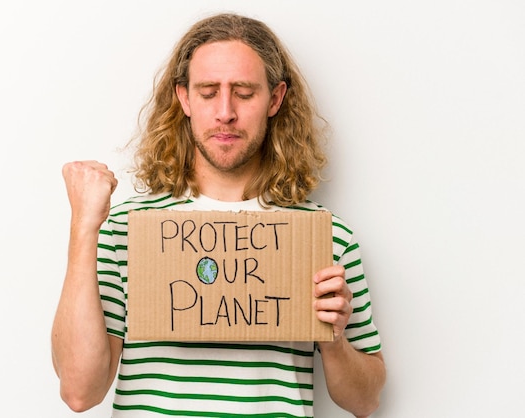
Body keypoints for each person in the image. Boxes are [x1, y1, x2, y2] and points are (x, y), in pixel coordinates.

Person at [51, 12, 386, 417]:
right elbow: (80, 391)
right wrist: (84, 228)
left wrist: (333, 341)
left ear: (275, 99)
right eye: (209, 92)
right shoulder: (127, 231)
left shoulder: (324, 237)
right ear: (185, 99)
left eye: (244, 93)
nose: (225, 112)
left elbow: (365, 402)